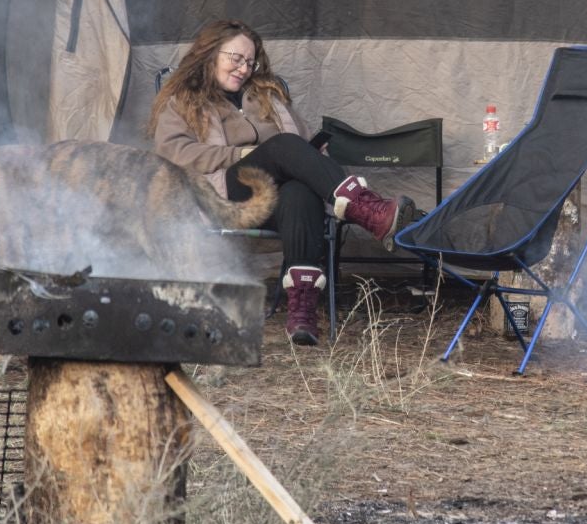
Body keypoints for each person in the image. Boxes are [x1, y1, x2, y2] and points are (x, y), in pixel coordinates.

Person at [150, 18, 417, 346]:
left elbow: (298, 144)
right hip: (220, 194)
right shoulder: (183, 101)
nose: (244, 68)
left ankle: (301, 310)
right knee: (282, 146)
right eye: (236, 58)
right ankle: (367, 209)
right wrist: (243, 154)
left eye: (250, 61)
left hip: (272, 198)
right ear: (210, 53)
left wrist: (314, 154)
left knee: (299, 191)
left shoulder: (266, 96)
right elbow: (174, 154)